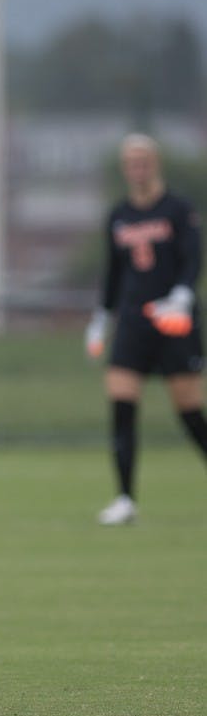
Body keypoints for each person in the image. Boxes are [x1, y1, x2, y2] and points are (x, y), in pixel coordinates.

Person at [85, 133, 207, 525]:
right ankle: (125, 498)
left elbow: (192, 257)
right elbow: (114, 273)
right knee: (121, 403)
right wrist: (102, 318)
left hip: (174, 319)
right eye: (131, 162)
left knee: (189, 411)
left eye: (144, 160)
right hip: (134, 321)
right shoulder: (119, 215)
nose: (138, 168)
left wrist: (184, 294)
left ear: (155, 163)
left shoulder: (177, 209)